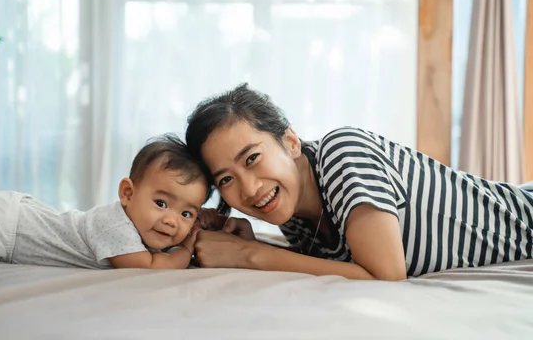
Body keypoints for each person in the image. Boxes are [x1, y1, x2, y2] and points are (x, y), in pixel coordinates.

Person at [186, 83, 533, 280]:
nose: (249, 189)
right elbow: (340, 268)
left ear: (291, 142)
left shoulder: (342, 152)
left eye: (252, 158)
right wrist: (262, 246)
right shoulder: (294, 212)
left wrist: (251, 255)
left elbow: (386, 275)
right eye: (227, 178)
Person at [0, 135, 211, 270]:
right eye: (161, 203)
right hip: (3, 227)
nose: (172, 220)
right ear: (127, 193)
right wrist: (187, 247)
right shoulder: (115, 226)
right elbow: (151, 268)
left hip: (13, 217)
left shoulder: (140, 228)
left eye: (186, 213)